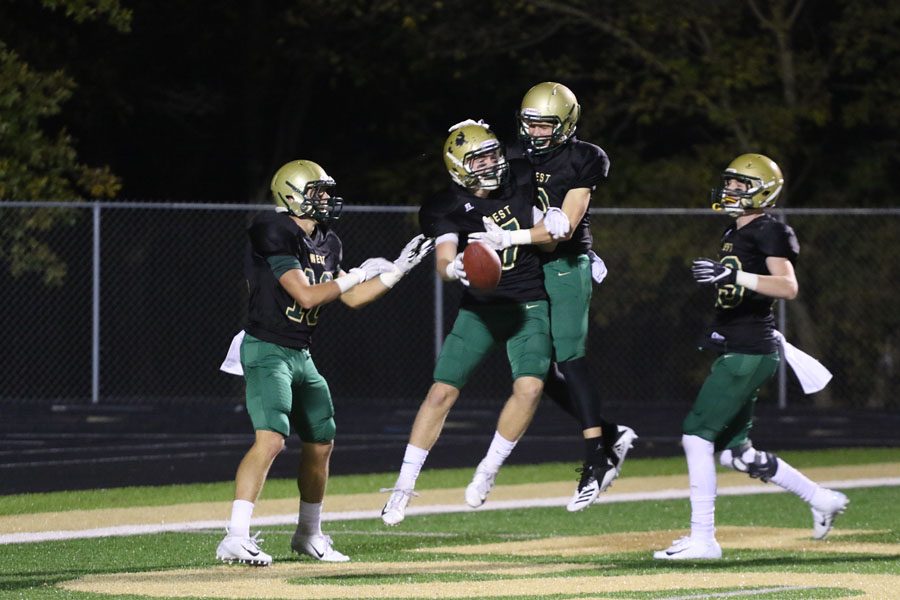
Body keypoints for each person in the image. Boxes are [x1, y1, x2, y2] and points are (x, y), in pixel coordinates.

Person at [216, 159, 433, 565]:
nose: (326, 199)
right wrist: (356, 275)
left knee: (321, 443)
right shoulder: (273, 230)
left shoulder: (328, 242)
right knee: (272, 440)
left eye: (325, 191)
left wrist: (397, 271)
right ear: (291, 195)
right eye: (316, 192)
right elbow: (309, 296)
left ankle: (308, 534)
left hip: (301, 352)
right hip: (266, 348)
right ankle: (235, 535)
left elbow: (350, 298)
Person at [653, 153, 849, 560]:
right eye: (729, 184)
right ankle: (820, 498)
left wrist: (734, 275)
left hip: (749, 351)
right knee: (734, 452)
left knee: (695, 436)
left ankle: (704, 539)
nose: (730, 191)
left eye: (740, 185)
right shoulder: (735, 230)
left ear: (762, 191)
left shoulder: (770, 231)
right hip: (738, 346)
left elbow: (788, 287)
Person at [468, 82, 636, 512]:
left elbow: (563, 226)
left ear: (566, 124)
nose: (537, 133)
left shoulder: (585, 158)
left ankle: (597, 459)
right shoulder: (514, 155)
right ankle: (610, 433)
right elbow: (481, 178)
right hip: (526, 267)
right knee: (536, 371)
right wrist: (469, 141)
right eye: (530, 124)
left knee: (570, 357)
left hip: (564, 264)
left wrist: (511, 236)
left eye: (546, 125)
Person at [380, 119, 554, 525]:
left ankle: (489, 468)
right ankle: (404, 487)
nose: (492, 163)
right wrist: (454, 266)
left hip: (529, 303)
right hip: (481, 308)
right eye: (480, 159)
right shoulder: (446, 207)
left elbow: (551, 225)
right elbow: (442, 259)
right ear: (459, 166)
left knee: (529, 389)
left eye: (493, 154)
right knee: (441, 393)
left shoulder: (523, 178)